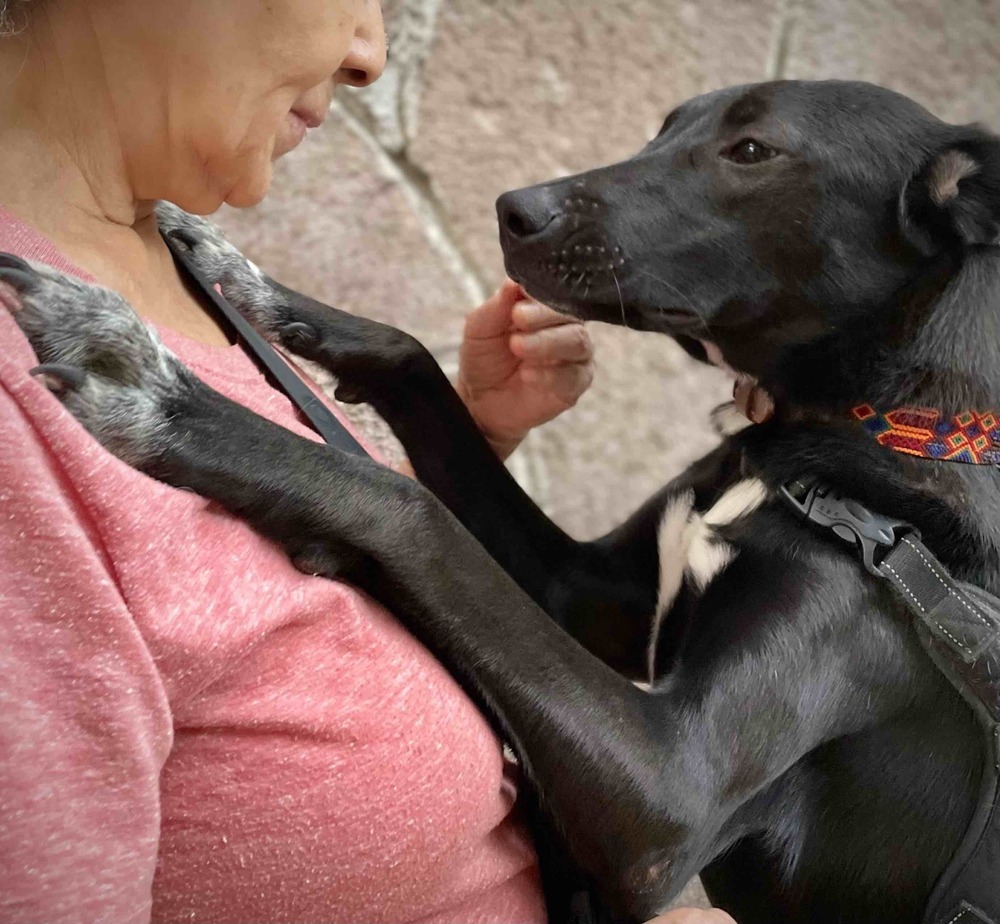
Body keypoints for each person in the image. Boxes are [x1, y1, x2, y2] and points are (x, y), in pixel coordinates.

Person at [0, 1, 736, 921]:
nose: (370, 55)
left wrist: (464, 437)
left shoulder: (181, 257)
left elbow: (305, 588)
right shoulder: (25, 388)